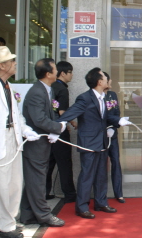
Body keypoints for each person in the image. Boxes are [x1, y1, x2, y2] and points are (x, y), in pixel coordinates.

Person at [0, 46, 40, 238]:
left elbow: (16, 115)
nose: (14, 64)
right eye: (11, 61)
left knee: (14, 183)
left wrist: (27, 131)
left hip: (12, 138)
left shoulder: (6, 85)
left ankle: (9, 220)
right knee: (0, 185)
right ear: (2, 65)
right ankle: (3, 226)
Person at [58, 68, 131, 219]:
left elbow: (106, 118)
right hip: (89, 143)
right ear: (99, 82)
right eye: (105, 78)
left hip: (103, 141)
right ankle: (82, 207)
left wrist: (118, 121)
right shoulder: (84, 98)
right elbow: (69, 114)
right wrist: (54, 128)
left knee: (101, 174)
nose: (107, 80)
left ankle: (101, 202)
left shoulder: (104, 97)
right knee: (87, 175)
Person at [20, 58, 66, 227]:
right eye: (55, 70)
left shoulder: (48, 90)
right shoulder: (37, 92)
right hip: (35, 145)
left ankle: (26, 214)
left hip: (43, 143)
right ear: (48, 74)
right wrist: (57, 128)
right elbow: (39, 119)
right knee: (38, 181)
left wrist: (55, 127)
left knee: (33, 180)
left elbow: (51, 113)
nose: (58, 72)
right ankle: (44, 215)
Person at [46, 61, 77, 203]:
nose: (71, 75)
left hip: (48, 129)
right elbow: (62, 112)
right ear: (63, 73)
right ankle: (70, 194)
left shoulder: (51, 86)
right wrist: (73, 122)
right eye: (70, 72)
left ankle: (45, 191)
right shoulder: (63, 89)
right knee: (65, 163)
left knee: (50, 163)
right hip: (60, 130)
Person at [103, 72, 126, 203]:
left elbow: (116, 112)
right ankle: (102, 194)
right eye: (108, 80)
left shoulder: (112, 95)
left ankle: (119, 193)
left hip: (113, 134)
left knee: (116, 162)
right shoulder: (98, 96)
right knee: (101, 165)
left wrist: (113, 126)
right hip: (100, 135)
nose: (110, 82)